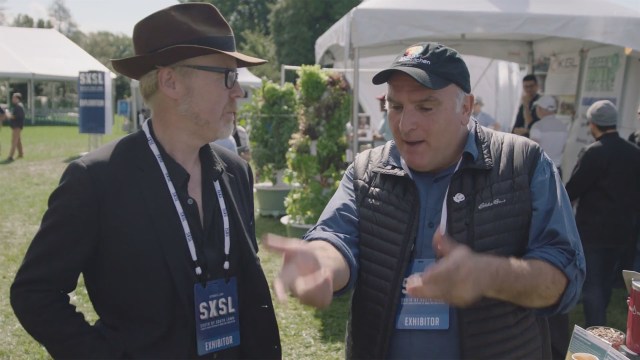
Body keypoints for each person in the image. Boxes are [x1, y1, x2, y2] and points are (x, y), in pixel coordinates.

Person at [264, 42, 584, 359]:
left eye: (425, 107)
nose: (405, 125)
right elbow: (335, 237)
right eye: (396, 107)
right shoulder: (366, 170)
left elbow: (564, 275)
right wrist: (322, 264)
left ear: (465, 108)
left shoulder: (522, 163)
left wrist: (491, 275)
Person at [10, 3, 280, 359]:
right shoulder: (95, 181)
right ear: (170, 81)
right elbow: (35, 293)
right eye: (227, 76)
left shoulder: (236, 172)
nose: (238, 92)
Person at [565, 100, 640, 328]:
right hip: (624, 230)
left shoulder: (593, 152)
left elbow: (572, 190)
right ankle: (600, 327)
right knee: (605, 282)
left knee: (593, 284)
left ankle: (595, 334)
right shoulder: (634, 152)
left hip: (593, 231)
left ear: (592, 124)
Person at [529, 95, 569, 176]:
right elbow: (563, 148)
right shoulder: (563, 126)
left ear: (540, 109)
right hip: (557, 169)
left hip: (541, 169)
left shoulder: (537, 126)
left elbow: (533, 151)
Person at [4, 92, 25, 162]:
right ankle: (21, 154)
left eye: (14, 98)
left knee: (14, 141)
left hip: (17, 126)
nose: (12, 99)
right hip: (17, 126)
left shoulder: (18, 107)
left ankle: (10, 156)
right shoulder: (18, 106)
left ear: (18, 99)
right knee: (18, 141)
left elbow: (15, 117)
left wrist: (8, 115)